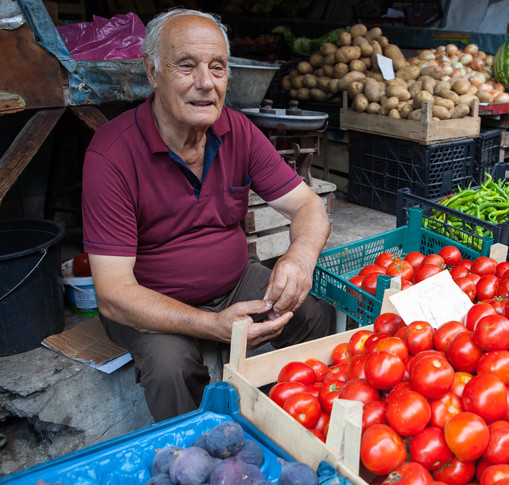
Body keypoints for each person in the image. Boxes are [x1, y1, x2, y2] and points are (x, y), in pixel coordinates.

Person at [81, 8, 335, 422]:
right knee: (172, 370)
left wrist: (300, 256)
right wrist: (212, 325)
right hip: (154, 303)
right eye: (186, 66)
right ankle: (200, 461)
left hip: (233, 284)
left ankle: (291, 427)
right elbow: (113, 295)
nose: (205, 83)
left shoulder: (237, 130)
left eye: (217, 68)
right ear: (152, 71)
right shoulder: (111, 154)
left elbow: (307, 205)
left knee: (311, 315)